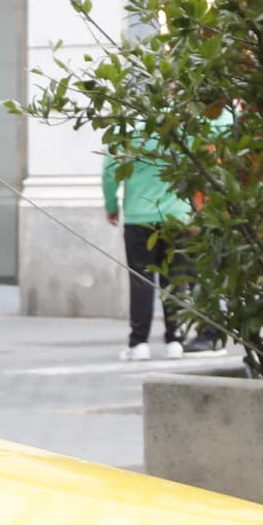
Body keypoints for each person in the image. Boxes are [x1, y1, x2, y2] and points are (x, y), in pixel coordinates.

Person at [102, 135, 194, 361]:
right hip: (177, 216)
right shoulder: (179, 129)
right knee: (174, 279)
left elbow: (109, 173)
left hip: (138, 218)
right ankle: (175, 341)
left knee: (140, 279)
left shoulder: (126, 133)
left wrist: (111, 206)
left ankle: (139, 343)